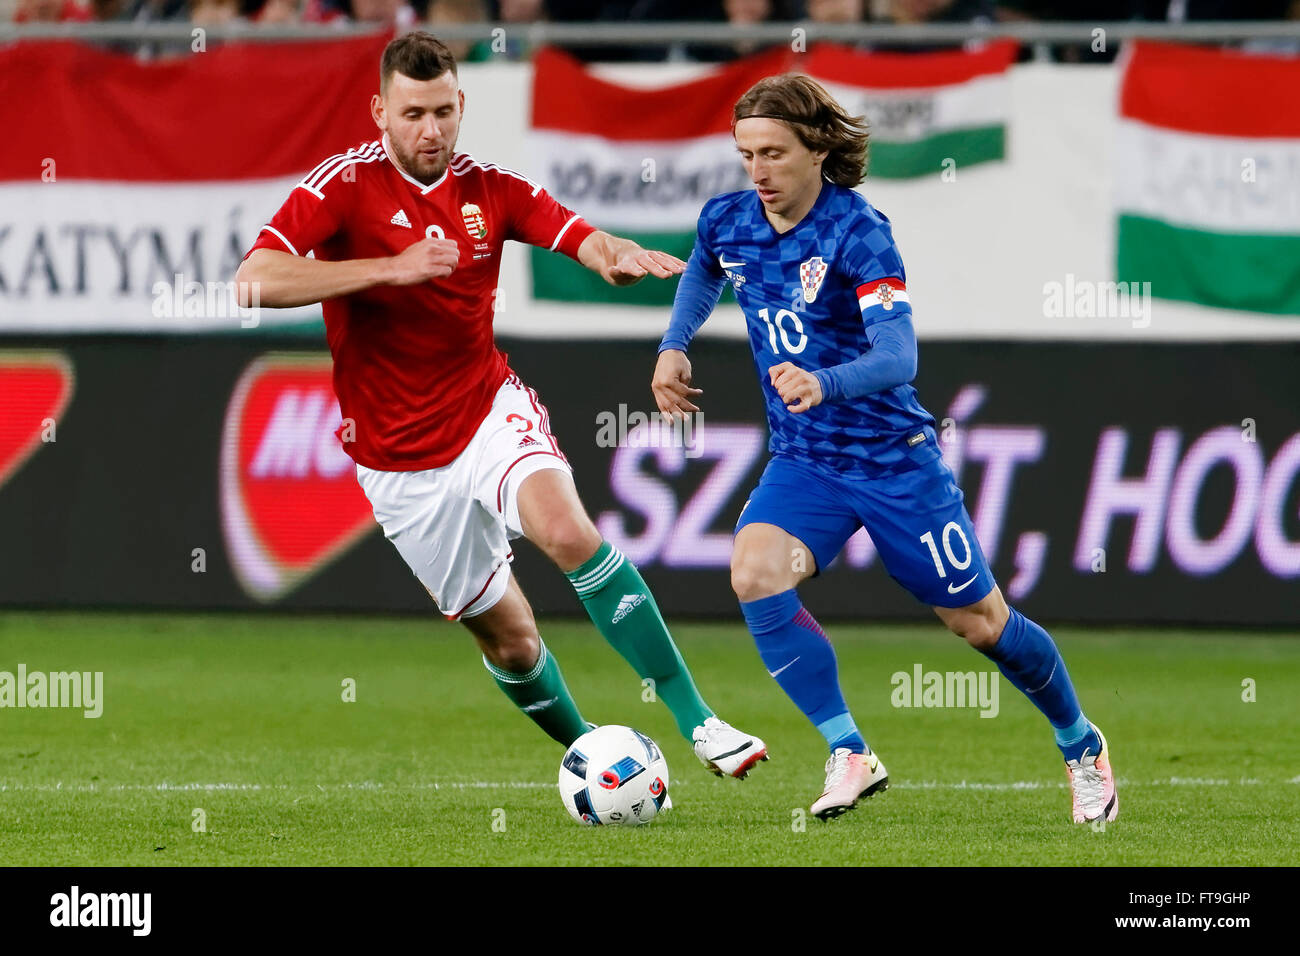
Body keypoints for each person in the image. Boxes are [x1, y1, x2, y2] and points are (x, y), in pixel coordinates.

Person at [235, 31, 768, 782]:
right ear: (378, 111)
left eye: (444, 112)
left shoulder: (490, 187)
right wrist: (390, 268)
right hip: (399, 465)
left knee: (568, 532)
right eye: (413, 113)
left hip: (487, 412)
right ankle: (597, 764)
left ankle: (700, 721)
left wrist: (609, 254)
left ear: (462, 105)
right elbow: (252, 281)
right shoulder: (341, 187)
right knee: (513, 644)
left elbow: (577, 233)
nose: (431, 131)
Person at [652, 72, 1117, 823]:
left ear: (816, 150)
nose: (757, 172)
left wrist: (825, 382)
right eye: (745, 155)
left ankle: (1080, 741)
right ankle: (849, 750)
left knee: (981, 625)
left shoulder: (858, 231)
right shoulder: (727, 220)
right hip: (806, 459)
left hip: (894, 460)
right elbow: (708, 267)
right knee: (755, 570)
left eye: (773, 153)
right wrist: (676, 343)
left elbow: (900, 356)